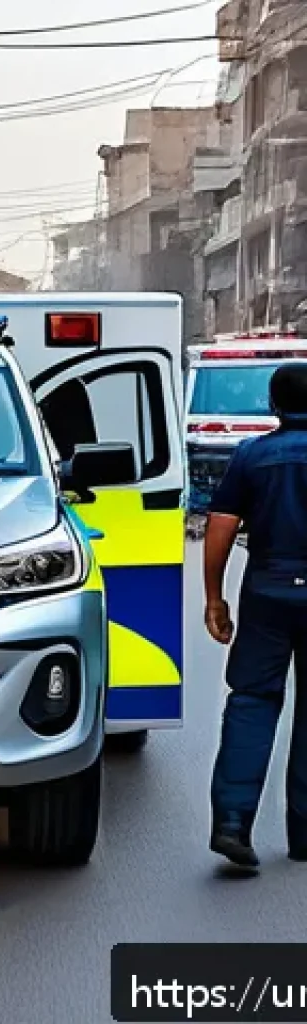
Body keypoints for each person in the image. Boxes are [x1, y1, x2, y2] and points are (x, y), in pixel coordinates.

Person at [204, 361, 307, 871]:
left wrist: (214, 598)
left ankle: (232, 824)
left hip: (268, 592)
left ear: (274, 406)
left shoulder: (252, 455)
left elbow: (220, 528)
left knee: (251, 703)